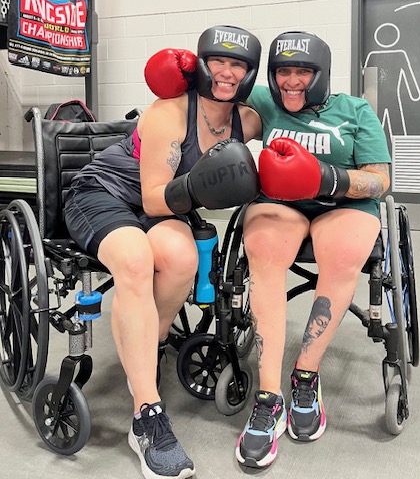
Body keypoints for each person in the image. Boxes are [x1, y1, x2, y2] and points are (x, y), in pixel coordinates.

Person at [63, 25, 262, 479]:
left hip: (166, 204)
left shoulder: (247, 119)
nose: (227, 73)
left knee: (181, 260)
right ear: (201, 65)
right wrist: (205, 184)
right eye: (219, 62)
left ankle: (146, 347)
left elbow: (293, 106)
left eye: (239, 65)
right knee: (135, 261)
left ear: (249, 73)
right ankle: (146, 415)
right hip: (106, 193)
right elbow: (154, 199)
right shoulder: (169, 112)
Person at [235, 31, 391, 469]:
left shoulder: (355, 110)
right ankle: (268, 397)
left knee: (341, 259)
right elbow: (219, 114)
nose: (291, 81)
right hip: (281, 204)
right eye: (284, 71)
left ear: (320, 75)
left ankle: (306, 374)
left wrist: (332, 179)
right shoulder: (264, 103)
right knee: (263, 257)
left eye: (302, 71)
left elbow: (380, 179)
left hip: (344, 203)